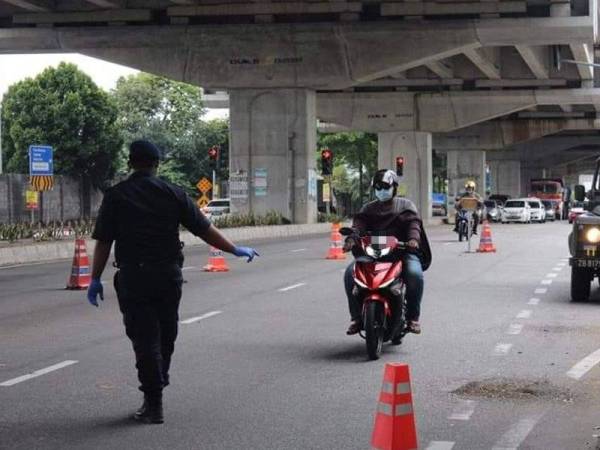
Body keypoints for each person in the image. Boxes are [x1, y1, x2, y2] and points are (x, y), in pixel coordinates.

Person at [87, 140, 259, 425]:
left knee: (144, 340)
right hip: (168, 276)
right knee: (166, 335)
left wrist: (95, 279)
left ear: (130, 162)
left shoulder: (116, 196)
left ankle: (153, 401)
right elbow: (205, 230)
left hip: (134, 277)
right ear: (157, 163)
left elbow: (104, 241)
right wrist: (235, 249)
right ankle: (159, 379)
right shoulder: (173, 193)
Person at [343, 169, 431, 336]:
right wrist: (351, 240)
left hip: (402, 251)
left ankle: (413, 318)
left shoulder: (405, 206)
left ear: (394, 187)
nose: (381, 190)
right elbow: (358, 227)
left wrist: (413, 240)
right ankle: (355, 318)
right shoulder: (367, 209)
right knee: (349, 274)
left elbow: (413, 225)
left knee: (414, 274)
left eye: (385, 186)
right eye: (377, 187)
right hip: (373, 253)